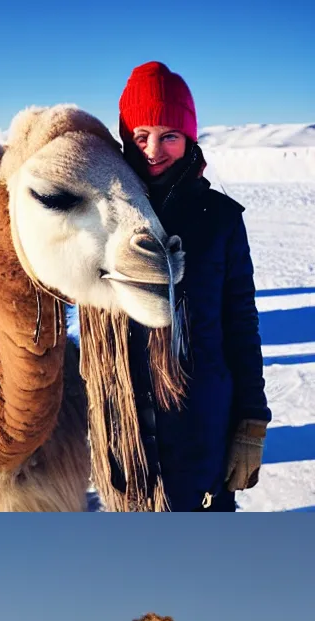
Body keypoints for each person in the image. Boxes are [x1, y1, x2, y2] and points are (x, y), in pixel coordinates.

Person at [116, 62, 270, 510]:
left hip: (202, 422)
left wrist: (251, 422)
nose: (153, 150)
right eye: (141, 135)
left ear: (189, 139)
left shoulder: (220, 220)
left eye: (169, 135)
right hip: (125, 430)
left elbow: (241, 323)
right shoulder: (106, 220)